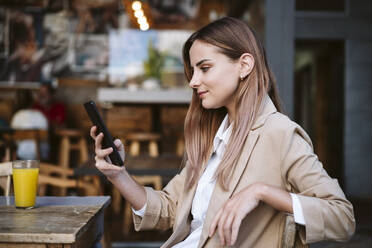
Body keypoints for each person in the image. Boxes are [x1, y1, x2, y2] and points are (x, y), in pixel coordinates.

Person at [90, 17, 355, 247]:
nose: (193, 81)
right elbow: (170, 209)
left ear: (244, 65)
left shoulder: (280, 134)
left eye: (204, 68)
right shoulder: (214, 137)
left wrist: (261, 192)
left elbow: (342, 218)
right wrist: (119, 176)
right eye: (192, 71)